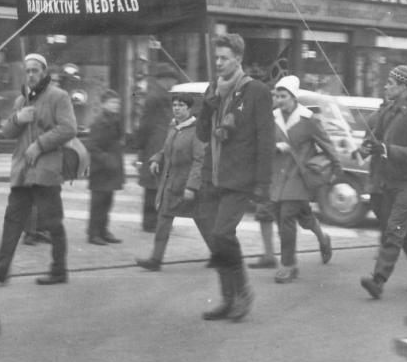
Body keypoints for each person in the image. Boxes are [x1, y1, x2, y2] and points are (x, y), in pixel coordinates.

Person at [196, 33, 274, 322]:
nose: (218, 63)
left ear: (238, 59)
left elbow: (266, 139)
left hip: (240, 176)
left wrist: (263, 184)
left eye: (224, 58)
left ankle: (243, 293)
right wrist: (208, 105)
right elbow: (203, 134)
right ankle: (227, 299)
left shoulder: (257, 91)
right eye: (216, 57)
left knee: (222, 233)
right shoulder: (213, 88)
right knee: (215, 239)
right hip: (213, 174)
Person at [0, 53, 77, 285]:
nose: (31, 75)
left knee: (52, 222)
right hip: (23, 172)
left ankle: (59, 271)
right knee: (12, 221)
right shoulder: (21, 100)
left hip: (45, 171)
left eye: (35, 70)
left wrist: (40, 145)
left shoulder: (59, 96)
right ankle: (1, 269)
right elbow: (6, 132)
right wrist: (18, 118)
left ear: (44, 72)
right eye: (27, 71)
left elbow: (69, 128)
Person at [359, 65, 407, 299]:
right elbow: (375, 137)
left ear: (403, 87)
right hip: (386, 183)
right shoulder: (387, 111)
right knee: (406, 234)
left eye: (390, 83)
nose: (386, 86)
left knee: (394, 230)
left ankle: (378, 280)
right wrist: (366, 147)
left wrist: (388, 150)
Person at [266, 75, 339, 284]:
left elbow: (326, 144)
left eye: (283, 96)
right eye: (277, 96)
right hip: (277, 176)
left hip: (299, 175)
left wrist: (337, 167)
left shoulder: (308, 119)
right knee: (294, 218)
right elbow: (263, 145)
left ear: (293, 97)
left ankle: (288, 265)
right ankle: (323, 238)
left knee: (287, 216)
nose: (279, 100)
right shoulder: (272, 118)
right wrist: (275, 148)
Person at [135, 89, 204, 271]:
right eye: (174, 105)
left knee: (203, 221)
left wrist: (192, 186)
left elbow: (200, 160)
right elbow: (166, 150)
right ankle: (155, 260)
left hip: (187, 185)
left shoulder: (196, 131)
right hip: (170, 184)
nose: (176, 109)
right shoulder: (173, 126)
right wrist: (157, 159)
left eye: (181, 105)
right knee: (164, 220)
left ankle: (220, 254)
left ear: (189, 108)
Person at [134, 64, 179, 232]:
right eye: (172, 79)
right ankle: (151, 222)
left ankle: (154, 221)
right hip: (155, 146)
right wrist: (140, 146)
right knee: (154, 185)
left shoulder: (161, 95)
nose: (173, 83)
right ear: (164, 79)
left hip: (158, 145)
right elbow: (145, 124)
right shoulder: (156, 97)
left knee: (156, 185)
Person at [86, 89, 125, 245]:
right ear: (103, 104)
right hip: (101, 170)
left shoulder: (115, 120)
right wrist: (107, 159)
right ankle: (94, 233)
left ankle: (103, 230)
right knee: (98, 203)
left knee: (108, 202)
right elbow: (92, 146)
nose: (116, 105)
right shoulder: (99, 122)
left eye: (117, 103)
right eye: (112, 103)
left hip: (112, 169)